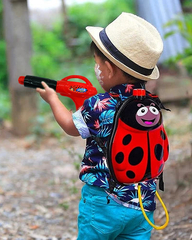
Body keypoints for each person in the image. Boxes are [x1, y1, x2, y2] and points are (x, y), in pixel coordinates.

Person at [36, 12, 163, 240]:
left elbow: (70, 126)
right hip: (143, 204)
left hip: (104, 202)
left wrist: (53, 99)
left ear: (109, 69)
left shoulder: (99, 104)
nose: (96, 70)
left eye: (97, 65)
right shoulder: (152, 106)